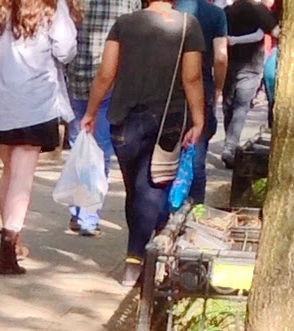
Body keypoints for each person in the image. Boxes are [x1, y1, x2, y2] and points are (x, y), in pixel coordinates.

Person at [80, 0, 205, 286]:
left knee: (134, 190)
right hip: (168, 120)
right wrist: (199, 119)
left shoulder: (124, 24)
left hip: (124, 118)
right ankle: (136, 261)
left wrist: (91, 111)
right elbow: (192, 77)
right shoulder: (188, 26)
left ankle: (138, 257)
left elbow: (106, 73)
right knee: (151, 188)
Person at [0, 0, 78, 275]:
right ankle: (8, 247)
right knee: (22, 178)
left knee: (10, 172)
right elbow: (67, 50)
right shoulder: (51, 6)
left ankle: (14, 240)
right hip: (36, 102)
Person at [63, 0, 141, 237]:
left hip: (77, 76)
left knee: (79, 145)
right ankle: (87, 215)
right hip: (110, 79)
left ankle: (79, 210)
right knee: (100, 149)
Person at [173, 0, 226, 204]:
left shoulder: (169, 9)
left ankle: (162, 216)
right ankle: (194, 212)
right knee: (196, 155)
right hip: (201, 86)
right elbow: (221, 57)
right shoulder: (215, 14)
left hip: (167, 87)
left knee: (164, 154)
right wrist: (218, 87)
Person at [219, 0, 277, 166]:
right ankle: (230, 147)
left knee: (229, 105)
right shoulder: (260, 10)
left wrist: (233, 41)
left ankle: (230, 145)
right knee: (241, 107)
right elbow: (269, 32)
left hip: (230, 64)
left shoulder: (227, 11)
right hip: (251, 65)